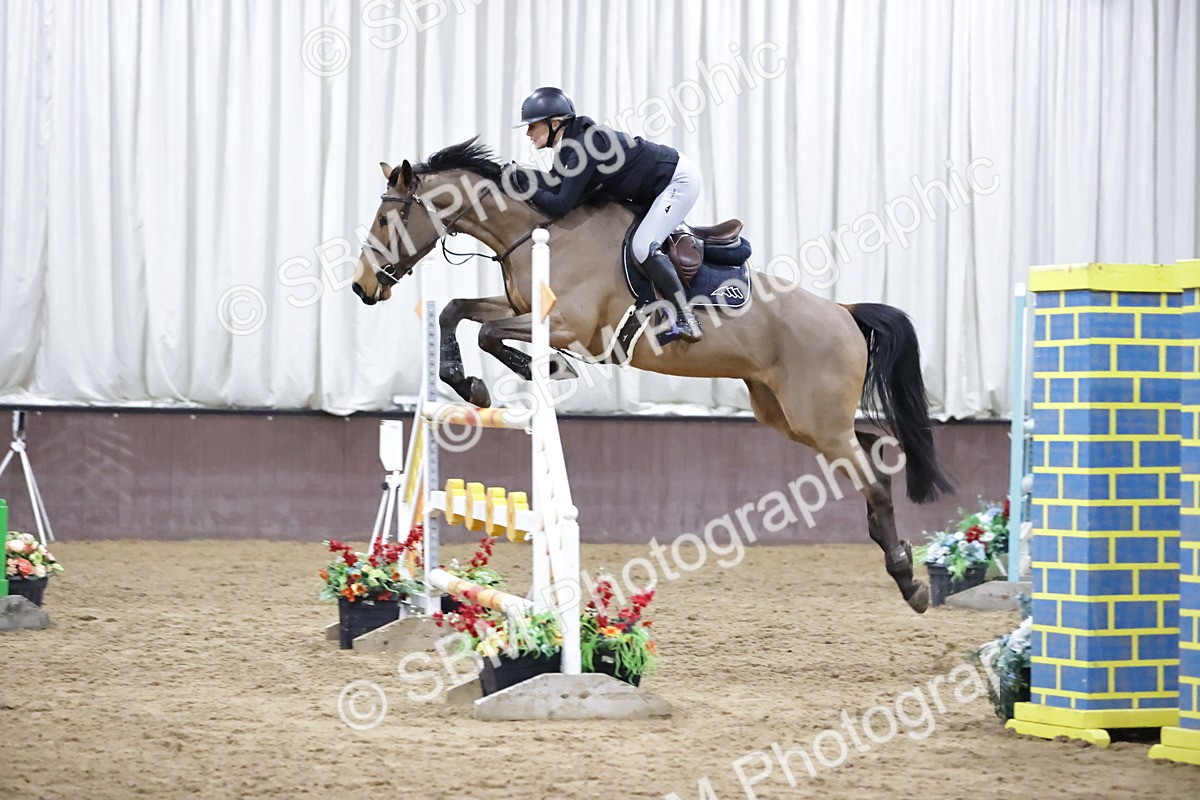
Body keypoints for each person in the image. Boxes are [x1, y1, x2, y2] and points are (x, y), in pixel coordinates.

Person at [510, 87, 703, 342]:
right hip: (655, 185)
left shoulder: (582, 147)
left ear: (554, 123)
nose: (528, 133)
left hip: (678, 181)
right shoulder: (569, 144)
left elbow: (560, 204)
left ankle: (687, 317)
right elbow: (555, 183)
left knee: (643, 246)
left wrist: (523, 186)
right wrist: (520, 175)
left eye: (533, 126)